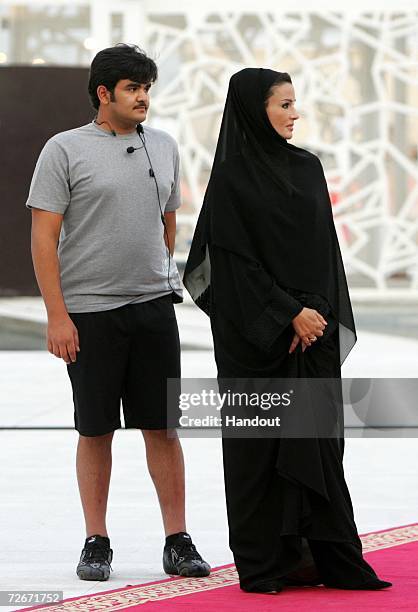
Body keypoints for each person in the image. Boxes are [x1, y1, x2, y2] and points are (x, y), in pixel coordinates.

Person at [183, 68, 392, 593]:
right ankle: (267, 563)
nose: (294, 113)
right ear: (256, 110)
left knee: (319, 445)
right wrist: (285, 314)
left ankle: (322, 557)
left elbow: (326, 254)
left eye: (295, 103)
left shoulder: (308, 169)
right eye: (283, 104)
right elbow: (226, 267)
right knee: (260, 450)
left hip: (313, 336)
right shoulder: (231, 179)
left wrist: (314, 314)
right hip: (256, 342)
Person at [26, 43, 210, 582]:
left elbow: (169, 218)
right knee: (95, 429)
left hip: (154, 308)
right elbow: (43, 239)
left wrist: (163, 271)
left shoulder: (164, 145)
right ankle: (96, 540)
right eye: (132, 88)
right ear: (103, 94)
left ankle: (177, 540)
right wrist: (58, 316)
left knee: (163, 428)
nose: (143, 98)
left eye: (147, 88)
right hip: (90, 314)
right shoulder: (63, 150)